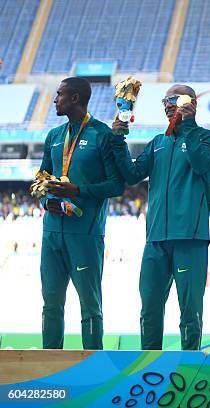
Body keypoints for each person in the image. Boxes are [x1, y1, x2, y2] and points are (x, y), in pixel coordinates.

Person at [111, 84, 210, 350]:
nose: (168, 104)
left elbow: (202, 164)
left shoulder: (207, 138)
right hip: (155, 239)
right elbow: (132, 174)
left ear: (191, 102)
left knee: (190, 312)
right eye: (165, 100)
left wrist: (190, 124)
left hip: (190, 240)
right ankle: (148, 367)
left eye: (174, 99)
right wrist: (117, 139)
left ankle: (189, 366)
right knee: (149, 310)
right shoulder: (158, 143)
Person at [39, 77, 124, 349]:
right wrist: (47, 202)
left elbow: (116, 185)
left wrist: (77, 191)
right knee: (51, 303)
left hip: (85, 235)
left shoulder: (102, 135)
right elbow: (42, 180)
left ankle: (93, 369)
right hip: (52, 233)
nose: (55, 99)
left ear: (75, 98)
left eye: (60, 94)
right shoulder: (53, 136)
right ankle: (50, 366)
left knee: (90, 305)